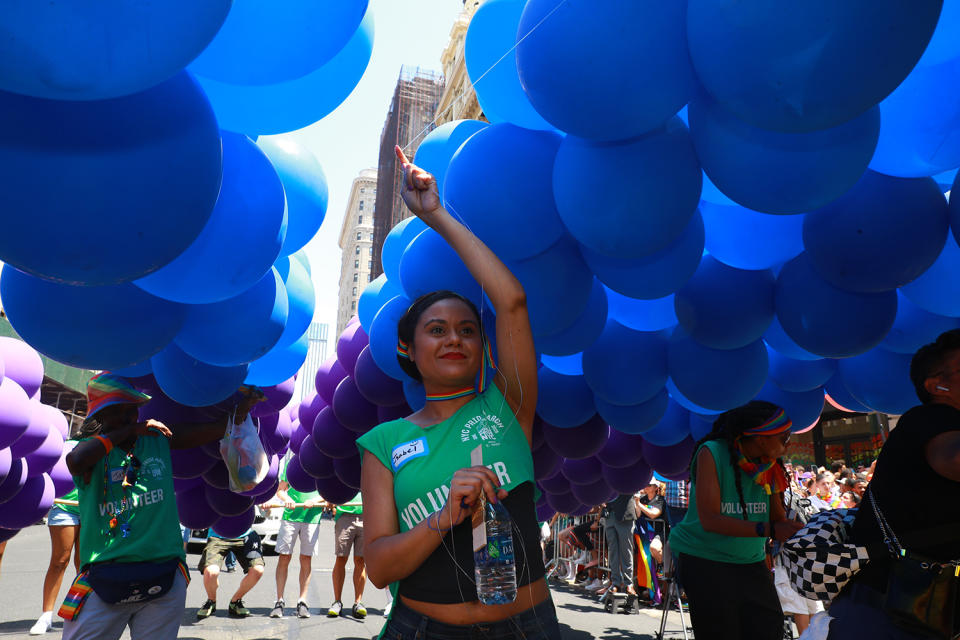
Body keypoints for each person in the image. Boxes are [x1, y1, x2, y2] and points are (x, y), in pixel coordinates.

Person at [356, 148, 560, 639]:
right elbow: (380, 568)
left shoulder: (507, 406)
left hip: (528, 627)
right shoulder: (383, 444)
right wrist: (446, 516)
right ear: (407, 346)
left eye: (467, 330)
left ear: (483, 346)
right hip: (423, 628)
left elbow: (511, 302)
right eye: (437, 329)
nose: (453, 338)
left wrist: (435, 215)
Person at [61, 373, 260, 640]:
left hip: (163, 579)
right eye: (116, 412)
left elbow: (212, 430)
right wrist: (130, 430)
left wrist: (241, 410)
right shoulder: (89, 452)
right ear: (101, 417)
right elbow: (75, 461)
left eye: (130, 410)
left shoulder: (156, 439)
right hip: (102, 579)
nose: (126, 418)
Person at [827, 330, 960, 639]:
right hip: (886, 609)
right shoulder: (930, 418)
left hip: (919, 607)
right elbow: (954, 459)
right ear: (936, 385)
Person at [668, 401, 804, 640]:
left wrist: (794, 528)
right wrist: (771, 528)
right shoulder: (712, 452)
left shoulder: (770, 466)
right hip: (704, 560)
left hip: (749, 562)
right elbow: (711, 520)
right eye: (784, 437)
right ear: (762, 438)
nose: (789, 443)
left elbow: (777, 520)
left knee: (769, 629)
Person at [30, 426, 92, 635]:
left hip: (91, 509)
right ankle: (46, 615)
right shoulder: (66, 446)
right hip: (64, 506)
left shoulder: (104, 448)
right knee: (59, 560)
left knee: (84, 563)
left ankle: (80, 611)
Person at [270, 458, 326, 619]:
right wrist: (287, 500)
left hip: (312, 518)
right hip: (291, 518)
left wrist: (314, 501)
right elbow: (280, 490)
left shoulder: (321, 464)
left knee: (306, 559)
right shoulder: (292, 464)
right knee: (284, 557)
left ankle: (302, 601)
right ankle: (279, 601)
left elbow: (327, 492)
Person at [195, 526, 265, 619]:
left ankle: (235, 602)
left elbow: (265, 513)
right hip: (218, 536)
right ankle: (211, 601)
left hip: (244, 536)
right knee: (211, 572)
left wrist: (266, 511)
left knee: (258, 570)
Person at [328, 492, 367, 618]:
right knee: (341, 558)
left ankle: (358, 603)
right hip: (344, 516)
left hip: (365, 516)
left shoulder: (369, 471)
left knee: (360, 560)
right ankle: (337, 602)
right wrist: (332, 503)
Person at [634, 482, 666, 604]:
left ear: (655, 487)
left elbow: (654, 514)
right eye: (645, 484)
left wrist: (639, 504)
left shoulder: (660, 500)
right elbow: (638, 514)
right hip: (645, 533)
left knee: (654, 548)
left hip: (659, 531)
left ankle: (661, 564)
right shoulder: (642, 499)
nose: (646, 486)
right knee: (645, 563)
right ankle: (652, 593)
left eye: (649, 484)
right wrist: (637, 504)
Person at [604, 493, 638, 597]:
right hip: (610, 514)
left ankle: (629, 584)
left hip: (625, 514)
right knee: (613, 552)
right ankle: (615, 583)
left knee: (626, 551)